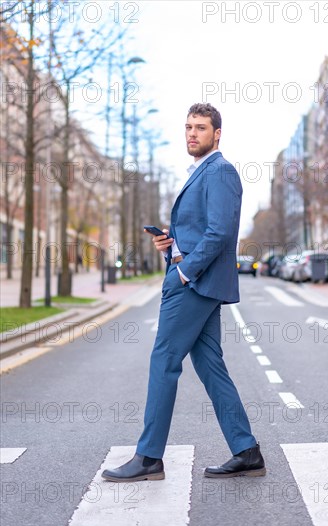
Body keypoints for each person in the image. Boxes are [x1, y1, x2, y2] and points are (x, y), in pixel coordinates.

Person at [102, 103, 265, 482]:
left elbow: (221, 233)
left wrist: (184, 273)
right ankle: (246, 450)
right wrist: (171, 245)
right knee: (210, 366)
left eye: (201, 128)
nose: (192, 133)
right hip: (198, 280)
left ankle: (148, 457)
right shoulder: (202, 172)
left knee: (164, 360)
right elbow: (202, 231)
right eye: (188, 127)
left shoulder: (220, 170)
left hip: (195, 283)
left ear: (217, 134)